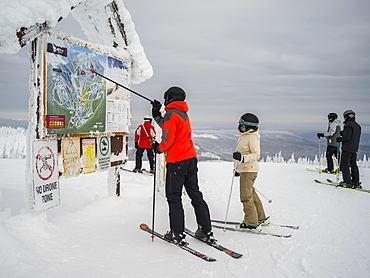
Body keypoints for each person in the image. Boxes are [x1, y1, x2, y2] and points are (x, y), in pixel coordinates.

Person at [151, 86, 215, 246]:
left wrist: (158, 148)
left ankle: (177, 234)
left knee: (174, 198)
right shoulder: (182, 113)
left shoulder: (172, 114)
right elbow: (171, 128)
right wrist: (157, 115)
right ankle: (205, 231)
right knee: (195, 195)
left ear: (169, 98)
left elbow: (167, 139)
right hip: (190, 159)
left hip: (176, 162)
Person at [232, 113, 267, 231]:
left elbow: (256, 154)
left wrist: (242, 158)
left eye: (242, 125)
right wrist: (238, 169)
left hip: (249, 170)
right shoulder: (246, 135)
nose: (240, 128)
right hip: (246, 170)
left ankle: (251, 222)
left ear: (248, 126)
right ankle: (260, 218)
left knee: (245, 197)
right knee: (251, 194)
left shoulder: (251, 137)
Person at [337, 110, 362, 189]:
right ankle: (356, 182)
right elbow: (352, 135)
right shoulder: (357, 126)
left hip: (347, 148)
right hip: (354, 148)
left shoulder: (348, 125)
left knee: (344, 164)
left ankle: (347, 182)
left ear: (347, 117)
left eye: (344, 117)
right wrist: (343, 133)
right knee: (353, 165)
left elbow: (347, 137)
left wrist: (340, 139)